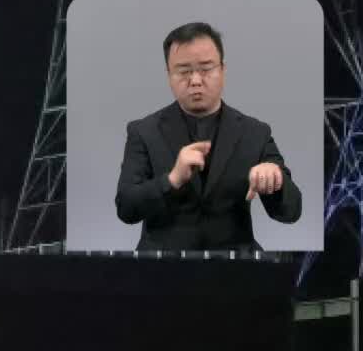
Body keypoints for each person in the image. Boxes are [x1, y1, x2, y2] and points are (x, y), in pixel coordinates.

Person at [115, 21, 301, 250]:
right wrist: (171, 180)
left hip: (236, 270)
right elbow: (126, 208)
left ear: (222, 70)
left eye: (206, 69)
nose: (195, 80)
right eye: (183, 71)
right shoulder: (144, 131)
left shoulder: (254, 132)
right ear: (169, 75)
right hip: (162, 269)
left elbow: (291, 212)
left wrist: (275, 180)